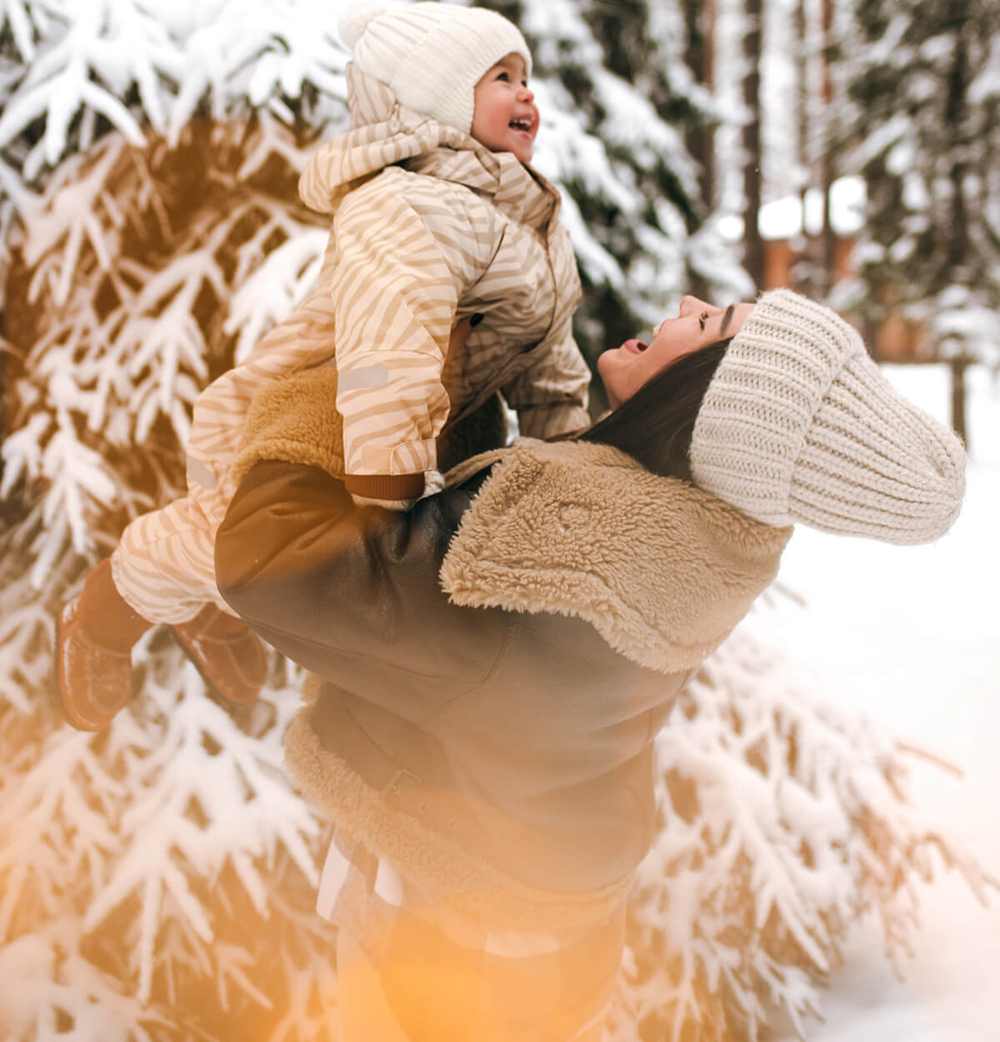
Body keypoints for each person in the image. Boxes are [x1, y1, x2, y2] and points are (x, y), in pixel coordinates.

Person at [212, 289, 966, 1042]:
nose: (685, 301)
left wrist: (345, 378)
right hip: (531, 928)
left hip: (449, 951)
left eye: (707, 324)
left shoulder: (570, 549)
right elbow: (446, 578)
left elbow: (272, 561)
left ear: (707, 408)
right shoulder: (688, 529)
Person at [56, 1, 592, 731]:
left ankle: (216, 604)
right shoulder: (404, 203)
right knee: (249, 545)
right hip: (324, 414)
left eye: (528, 76)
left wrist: (573, 458)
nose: (528, 93)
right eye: (502, 75)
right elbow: (386, 346)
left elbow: (546, 354)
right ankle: (106, 606)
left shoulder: (529, 224)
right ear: (435, 96)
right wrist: (390, 491)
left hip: (421, 427)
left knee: (296, 566)